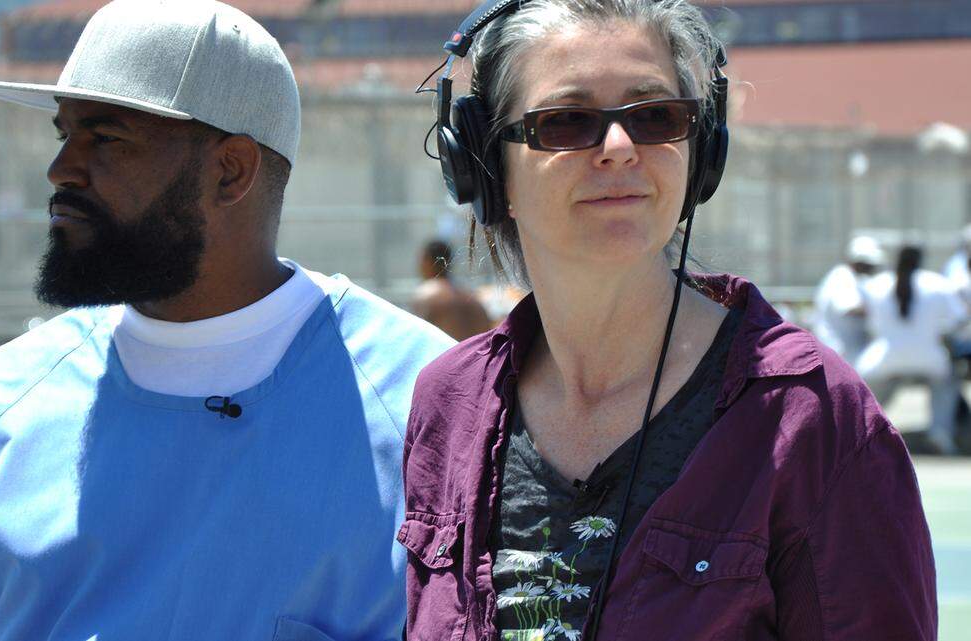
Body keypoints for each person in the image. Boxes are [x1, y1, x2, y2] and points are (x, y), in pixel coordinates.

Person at [0, 2, 452, 640]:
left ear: (231, 170)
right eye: (64, 134)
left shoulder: (424, 406)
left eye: (105, 138)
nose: (61, 170)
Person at [400, 1, 936, 640]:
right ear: (487, 168)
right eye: (568, 122)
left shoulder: (814, 419)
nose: (621, 148)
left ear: (700, 151)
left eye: (656, 117)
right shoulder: (446, 404)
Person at [857, 245, 966, 456]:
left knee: (867, 390)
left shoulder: (877, 283)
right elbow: (957, 321)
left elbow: (869, 323)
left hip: (883, 358)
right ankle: (940, 433)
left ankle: (862, 429)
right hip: (930, 358)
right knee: (948, 381)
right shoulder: (937, 283)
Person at [812, 235, 883, 365]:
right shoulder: (843, 278)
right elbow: (849, 309)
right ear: (858, 262)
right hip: (839, 352)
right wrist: (883, 309)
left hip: (842, 352)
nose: (873, 269)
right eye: (869, 265)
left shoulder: (852, 278)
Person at [411, 239, 492, 339]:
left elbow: (416, 338)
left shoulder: (427, 294)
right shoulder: (471, 297)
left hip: (447, 354)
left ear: (427, 261)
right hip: (476, 354)